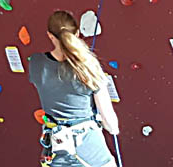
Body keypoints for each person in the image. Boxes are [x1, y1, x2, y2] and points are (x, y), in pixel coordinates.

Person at [28, 10, 120, 167]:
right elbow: (109, 122)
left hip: (57, 147)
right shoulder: (88, 66)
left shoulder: (36, 62)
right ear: (77, 33)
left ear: (50, 35)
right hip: (90, 148)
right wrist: (114, 129)